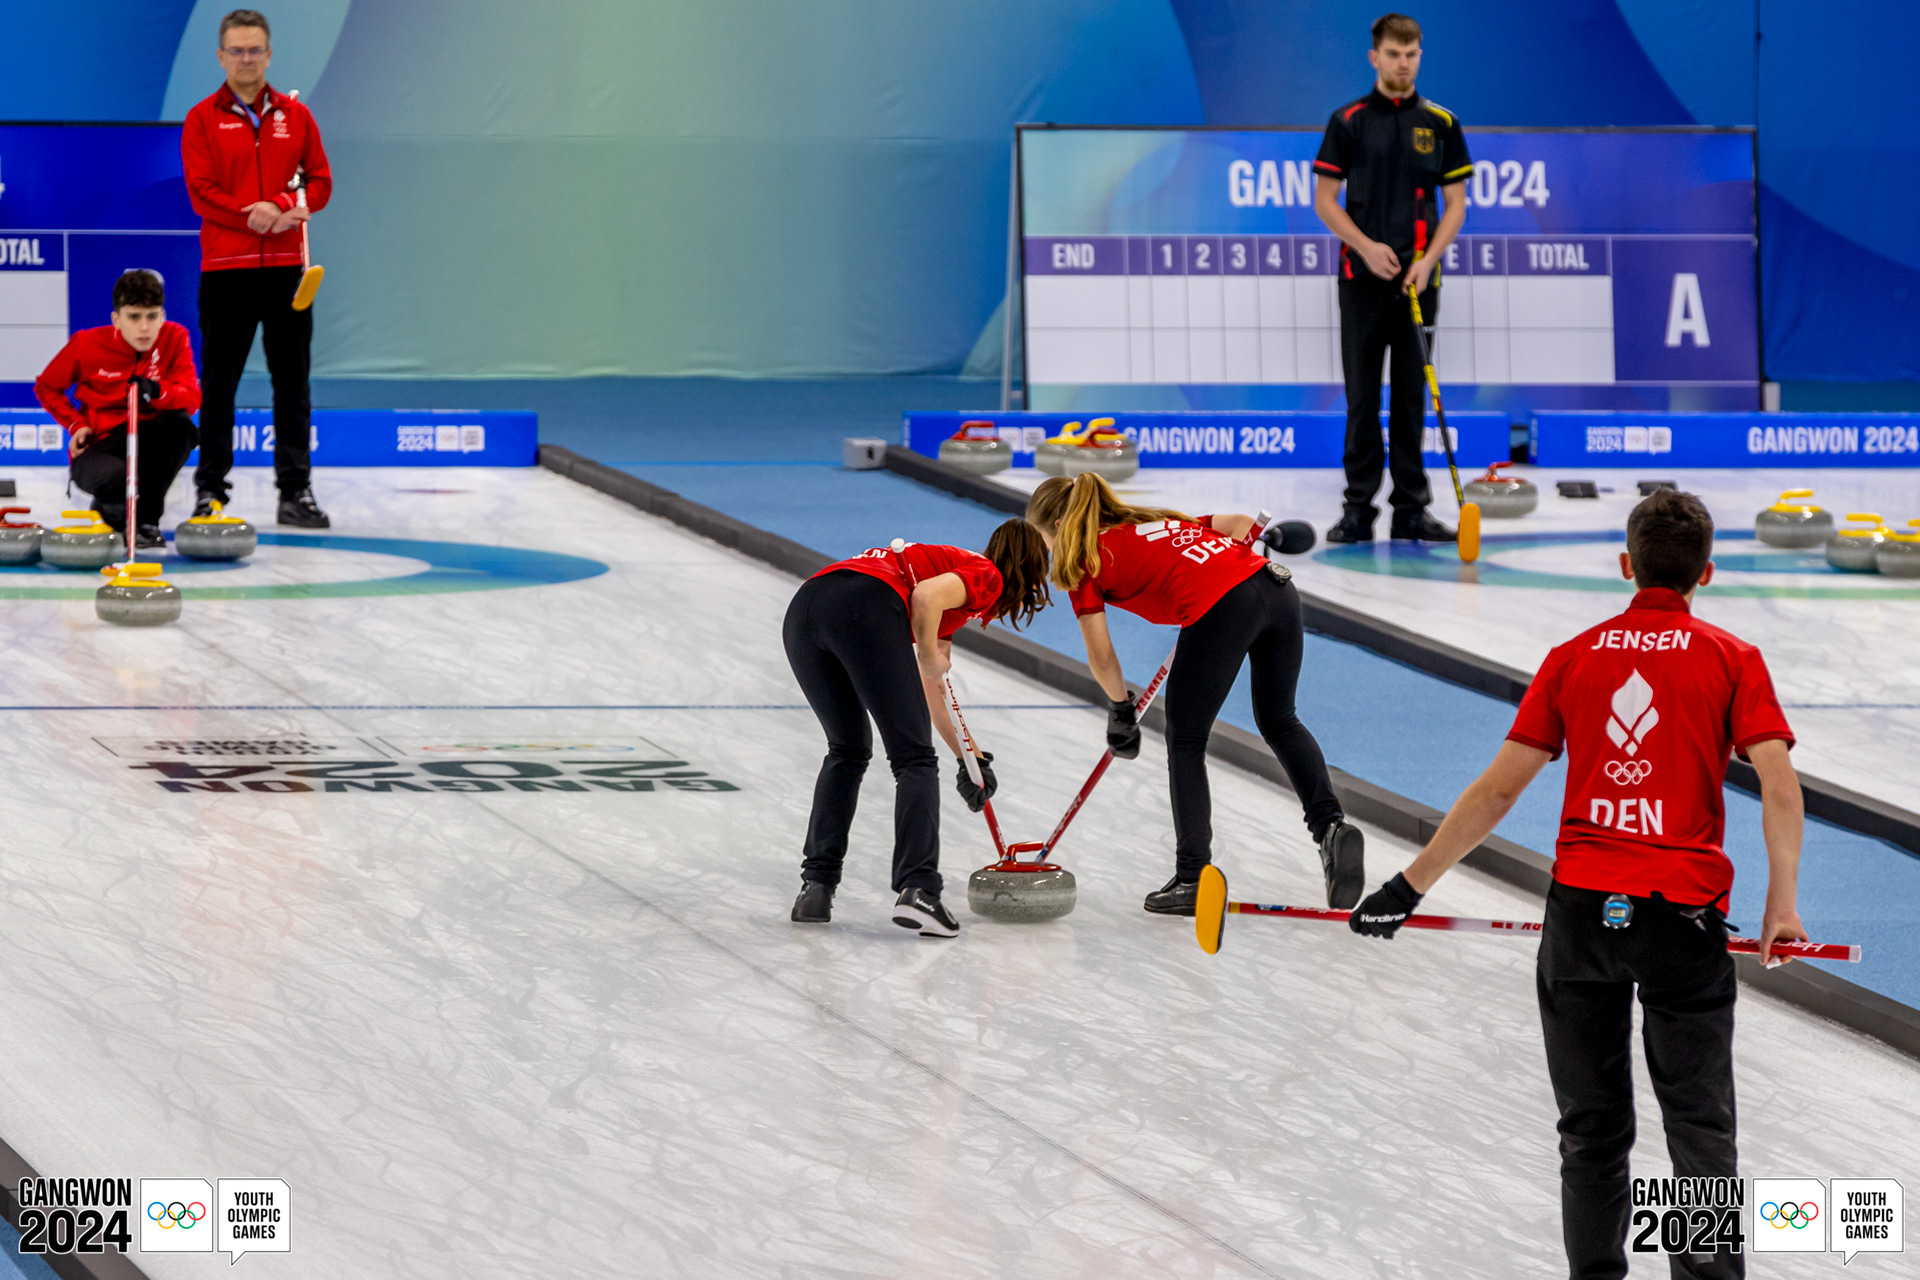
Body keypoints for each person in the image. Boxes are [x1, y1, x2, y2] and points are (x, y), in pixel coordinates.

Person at [1349, 490, 1806, 1280]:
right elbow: (1780, 787)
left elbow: (1498, 790)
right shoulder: (1733, 658)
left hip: (1582, 918)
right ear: (1706, 573)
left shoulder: (1573, 656)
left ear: (1627, 565)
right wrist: (1782, 906)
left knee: (1591, 1131)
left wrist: (1407, 886)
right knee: (1700, 1131)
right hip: (1682, 917)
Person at [1025, 474, 1362, 916]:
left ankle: (1192, 877)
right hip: (1276, 589)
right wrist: (1255, 546)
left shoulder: (1085, 562)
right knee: (1279, 719)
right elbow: (1240, 525)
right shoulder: (1152, 521)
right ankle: (1330, 827)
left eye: (1044, 539)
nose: (1048, 549)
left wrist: (1120, 708)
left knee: (1185, 739)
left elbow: (1101, 654)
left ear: (1059, 524)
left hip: (1223, 605)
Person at [784, 522, 1051, 937]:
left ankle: (816, 888)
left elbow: (934, 687)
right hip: (865, 605)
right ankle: (920, 889)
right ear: (1028, 575)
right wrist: (926, 653)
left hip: (806, 610)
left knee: (847, 749)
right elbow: (925, 600)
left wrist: (970, 757)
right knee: (915, 759)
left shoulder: (951, 583)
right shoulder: (986, 575)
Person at [1313, 13, 1472, 546]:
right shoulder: (1348, 121)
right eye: (1393, 54)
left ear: (1420, 56)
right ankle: (1358, 510)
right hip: (1361, 279)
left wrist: (1427, 262)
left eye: (1411, 54)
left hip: (1419, 284)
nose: (1403, 63)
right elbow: (1324, 201)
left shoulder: (1442, 123)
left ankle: (1411, 511)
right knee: (1362, 398)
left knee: (1410, 399)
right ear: (1374, 57)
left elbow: (1456, 206)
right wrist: (1365, 246)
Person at [180, 8, 332, 529]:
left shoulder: (297, 116)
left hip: (289, 272)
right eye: (236, 51)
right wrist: (258, 215)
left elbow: (320, 182)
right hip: (226, 272)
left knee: (294, 385)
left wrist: (282, 205)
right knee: (218, 386)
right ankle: (210, 493)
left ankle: (296, 492)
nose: (246, 59)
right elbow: (201, 194)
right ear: (221, 56)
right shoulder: (202, 118)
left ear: (269, 54)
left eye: (255, 50)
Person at [35, 270, 201, 546]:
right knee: (114, 476)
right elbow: (46, 387)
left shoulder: (174, 337)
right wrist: (76, 424)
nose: (144, 327)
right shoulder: (86, 343)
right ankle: (111, 510)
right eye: (134, 317)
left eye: (152, 316)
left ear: (162, 316)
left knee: (181, 427)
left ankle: (146, 522)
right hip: (101, 444)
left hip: (150, 438)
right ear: (117, 319)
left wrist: (157, 390)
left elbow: (191, 397)